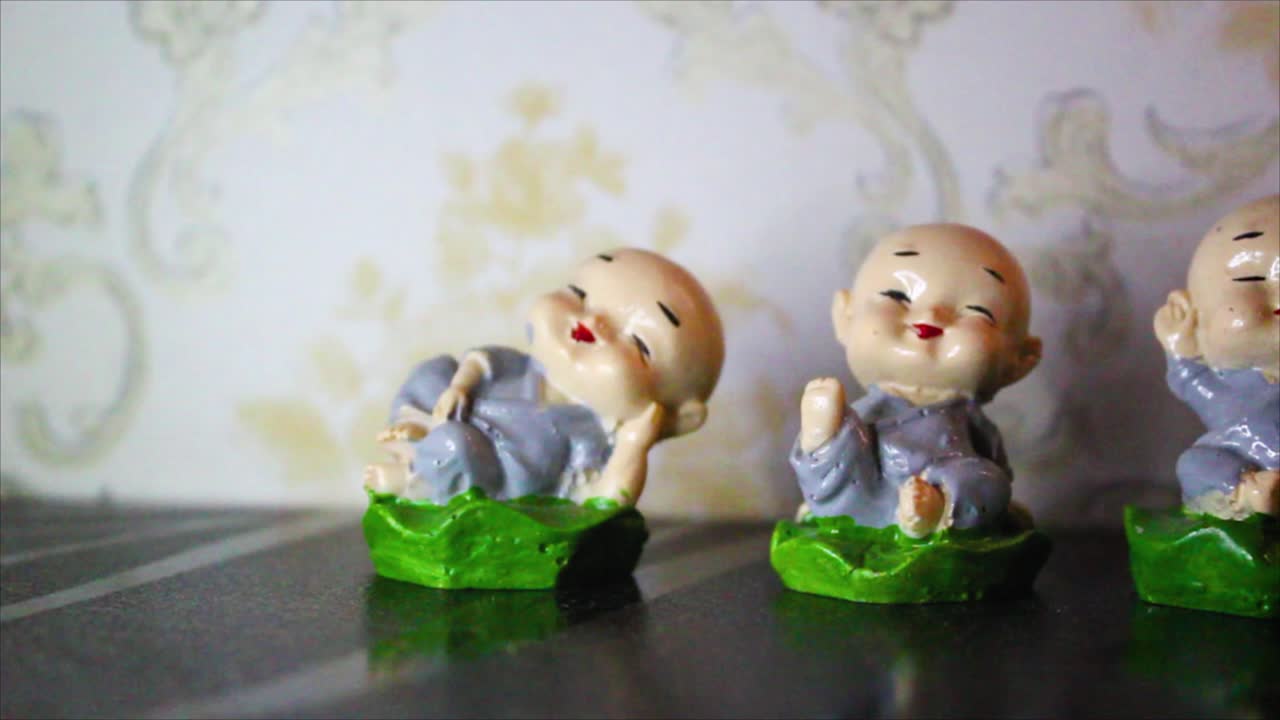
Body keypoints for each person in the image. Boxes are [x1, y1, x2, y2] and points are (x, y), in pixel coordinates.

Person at [363, 248, 725, 507]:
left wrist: (634, 443)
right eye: (580, 295)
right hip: (458, 412)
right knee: (433, 372)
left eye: (638, 344)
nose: (592, 322)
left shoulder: (586, 432)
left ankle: (415, 477)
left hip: (487, 463)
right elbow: (480, 361)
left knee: (458, 447)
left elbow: (604, 498)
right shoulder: (522, 366)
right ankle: (419, 431)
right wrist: (460, 385)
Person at [792, 223, 1042, 537]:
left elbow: (996, 467)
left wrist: (994, 497)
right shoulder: (869, 413)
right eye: (897, 296)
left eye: (976, 311)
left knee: (987, 480)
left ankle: (936, 509)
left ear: (1019, 361)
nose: (930, 318)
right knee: (846, 447)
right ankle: (823, 443)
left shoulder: (968, 421)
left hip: (949, 476)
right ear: (845, 317)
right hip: (864, 486)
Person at [1154, 195, 1279, 520]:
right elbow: (1190, 380)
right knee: (1195, 463)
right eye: (1250, 281)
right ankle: (1247, 493)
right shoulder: (1229, 386)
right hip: (1243, 458)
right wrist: (1180, 346)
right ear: (1199, 319)